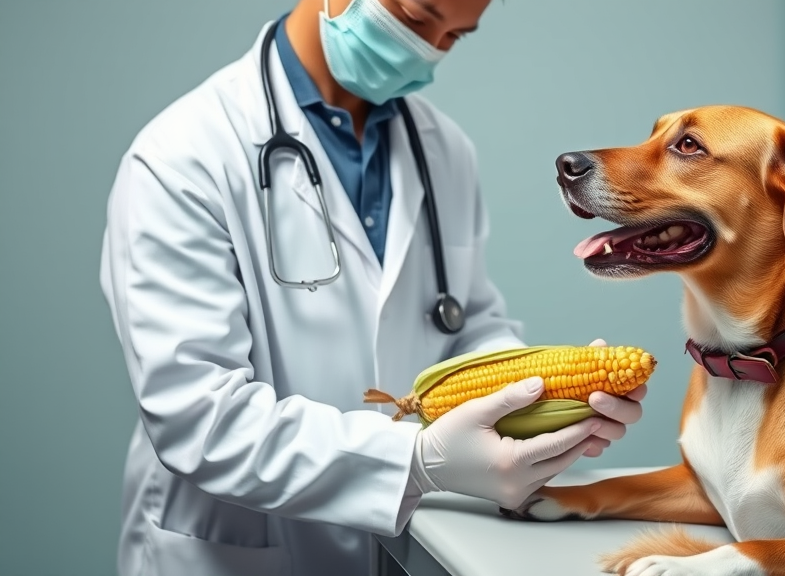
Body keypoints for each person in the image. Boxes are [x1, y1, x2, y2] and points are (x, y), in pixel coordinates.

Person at [98, 0, 647, 575]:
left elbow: (464, 322)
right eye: (416, 18)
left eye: (454, 36)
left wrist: (536, 393)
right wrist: (416, 461)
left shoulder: (443, 150)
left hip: (401, 548)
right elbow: (197, 416)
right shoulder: (181, 157)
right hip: (236, 551)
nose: (427, 49)